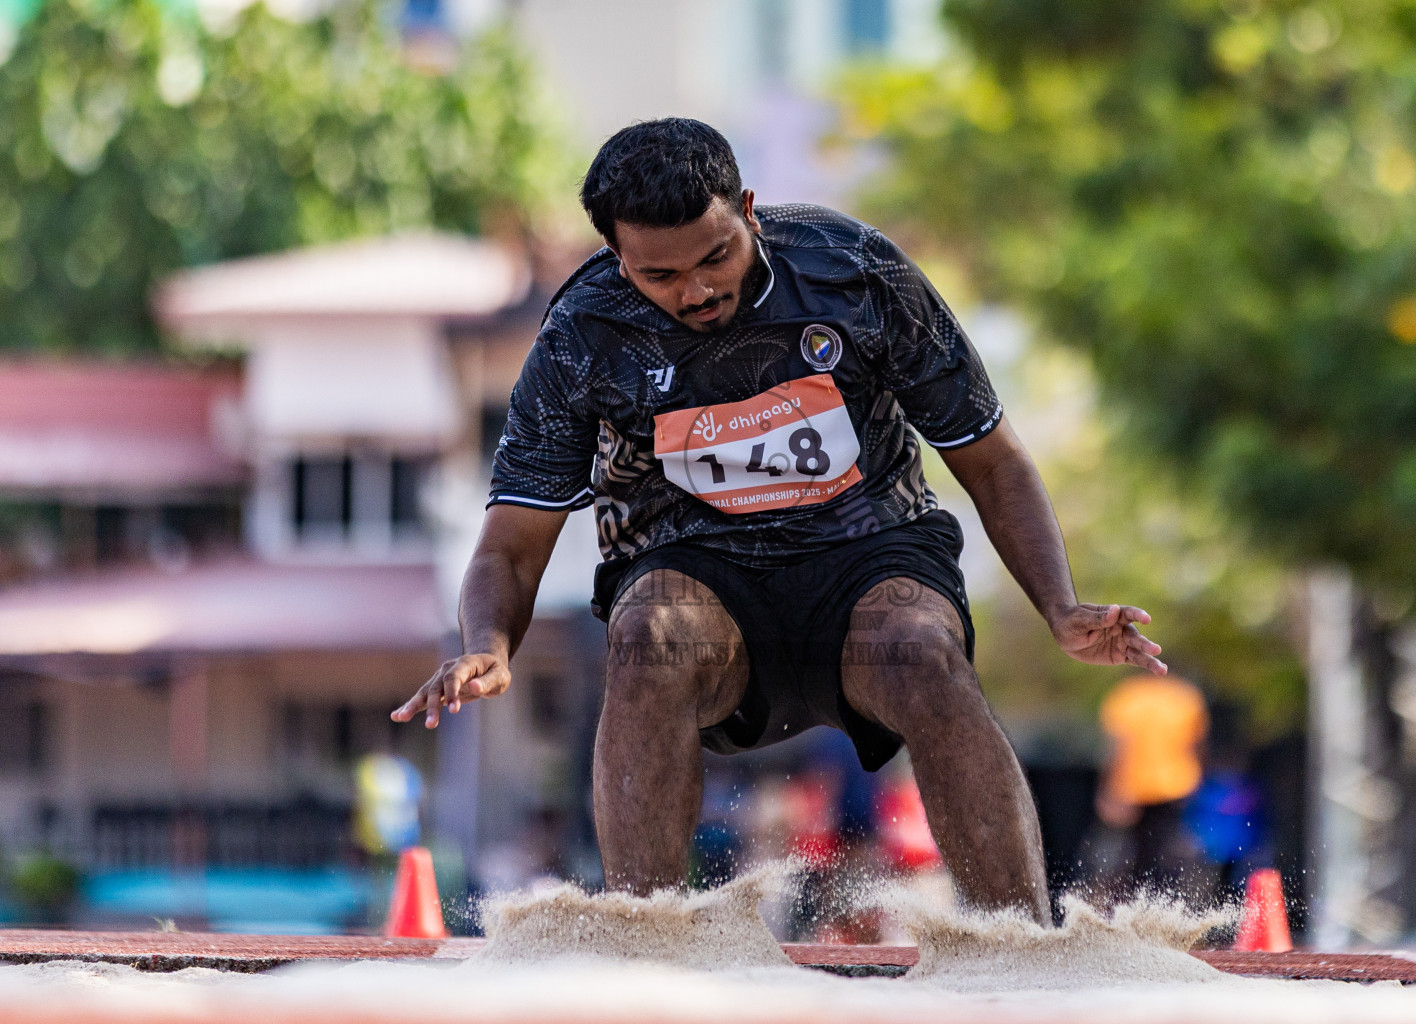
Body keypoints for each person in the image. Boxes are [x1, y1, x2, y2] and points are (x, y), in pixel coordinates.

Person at [391, 118, 1165, 921]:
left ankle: (1019, 944)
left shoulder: (855, 273)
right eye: (660, 273)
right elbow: (512, 545)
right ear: (617, 257)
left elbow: (992, 460)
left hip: (868, 556)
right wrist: (487, 647)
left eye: (715, 255)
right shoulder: (582, 334)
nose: (696, 291)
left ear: (750, 211)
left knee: (920, 648)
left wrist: (1060, 605)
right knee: (649, 634)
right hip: (698, 576)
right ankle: (645, 942)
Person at [1091, 672, 1207, 897]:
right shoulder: (1185, 697)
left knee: (1134, 852)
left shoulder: (1126, 696)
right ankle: (1168, 901)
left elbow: (1117, 748)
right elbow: (1197, 744)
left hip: (1133, 787)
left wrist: (1107, 788)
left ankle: (1136, 901)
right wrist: (1200, 776)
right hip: (1176, 785)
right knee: (1169, 849)